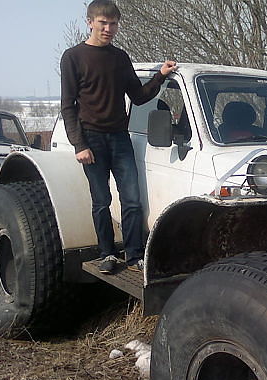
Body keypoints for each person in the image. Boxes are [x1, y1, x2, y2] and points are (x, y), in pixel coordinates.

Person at [60, 0, 177, 274]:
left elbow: (138, 96)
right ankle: (108, 254)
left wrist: (160, 76)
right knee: (101, 201)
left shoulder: (120, 57)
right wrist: (79, 144)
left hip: (120, 138)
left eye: (113, 24)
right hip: (91, 139)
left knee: (132, 200)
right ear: (90, 22)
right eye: (103, 23)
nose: (108, 29)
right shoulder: (73, 57)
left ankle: (134, 255)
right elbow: (68, 106)